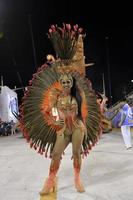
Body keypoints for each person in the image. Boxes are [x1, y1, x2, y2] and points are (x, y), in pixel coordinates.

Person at [20, 23, 102, 195]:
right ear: (60, 81)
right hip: (62, 129)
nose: (66, 83)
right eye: (63, 81)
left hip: (78, 127)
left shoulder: (79, 94)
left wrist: (83, 124)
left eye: (68, 81)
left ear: (72, 82)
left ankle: (77, 178)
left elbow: (84, 111)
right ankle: (50, 179)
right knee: (56, 154)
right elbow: (48, 110)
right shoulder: (54, 94)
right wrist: (56, 119)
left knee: (77, 152)